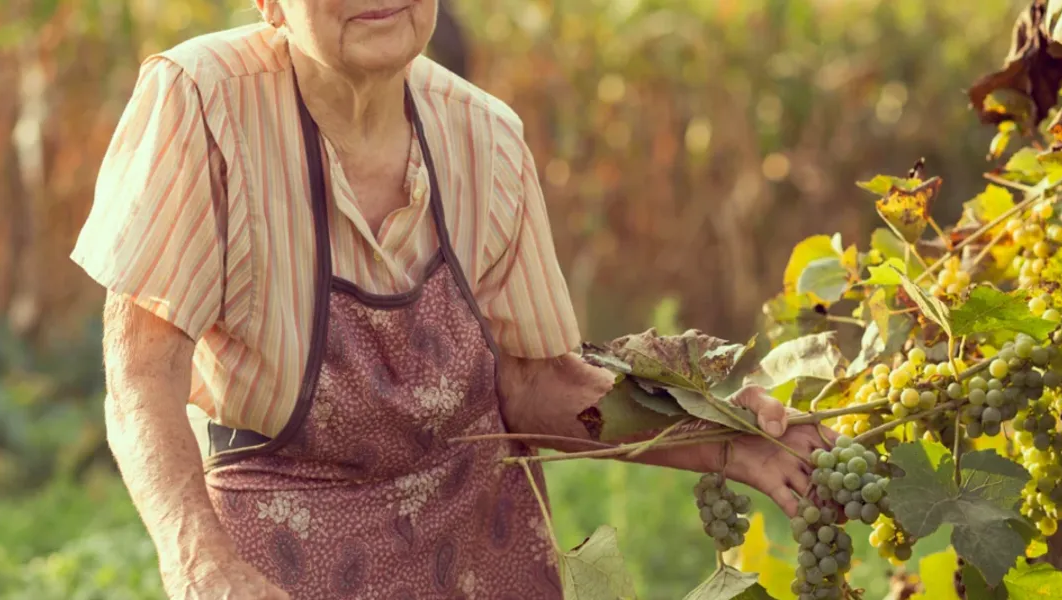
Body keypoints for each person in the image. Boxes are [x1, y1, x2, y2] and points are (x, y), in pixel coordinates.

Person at [71, 1, 833, 598]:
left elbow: (537, 385)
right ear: (268, 2)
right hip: (284, 565)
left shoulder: (486, 137)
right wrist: (199, 565)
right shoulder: (205, 102)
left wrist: (732, 438)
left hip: (486, 560)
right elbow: (142, 374)